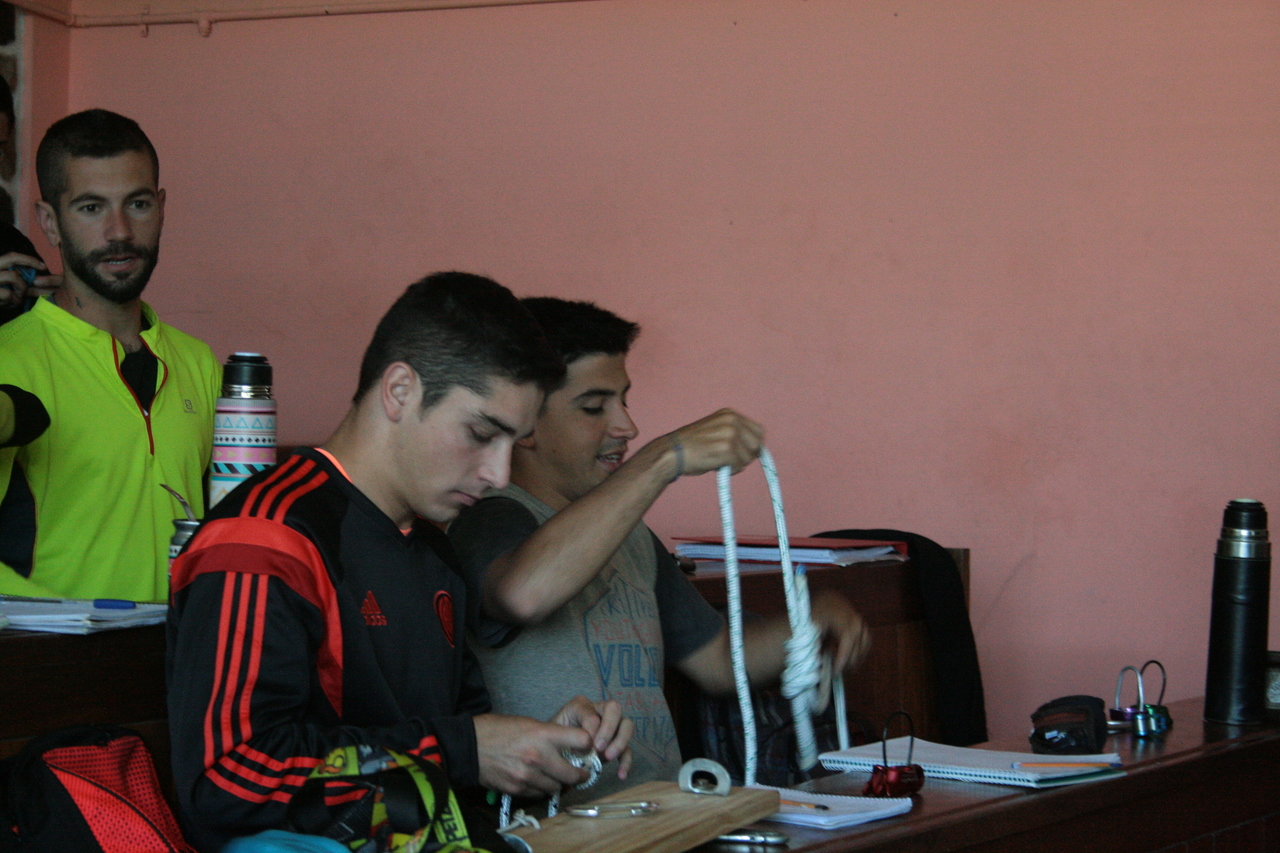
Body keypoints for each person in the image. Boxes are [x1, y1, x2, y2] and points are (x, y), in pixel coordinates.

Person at [166, 273, 634, 852]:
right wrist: (464, 750)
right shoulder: (264, 537)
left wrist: (536, 756)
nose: (499, 474)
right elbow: (227, 778)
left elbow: (457, 763)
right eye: (481, 433)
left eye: (513, 443)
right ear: (400, 390)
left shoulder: (434, 549)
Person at [447, 297, 872, 801]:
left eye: (624, 401)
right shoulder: (488, 516)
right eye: (594, 407)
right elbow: (522, 594)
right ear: (524, 423)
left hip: (662, 812)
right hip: (561, 827)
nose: (626, 427)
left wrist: (811, 622)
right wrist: (662, 459)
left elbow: (718, 661)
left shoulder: (628, 532)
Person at [0, 109, 220, 600]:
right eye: (91, 208)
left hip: (181, 646)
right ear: (49, 223)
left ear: (161, 208)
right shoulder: (7, 361)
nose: (119, 231)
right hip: (44, 648)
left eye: (137, 204)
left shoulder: (200, 364)